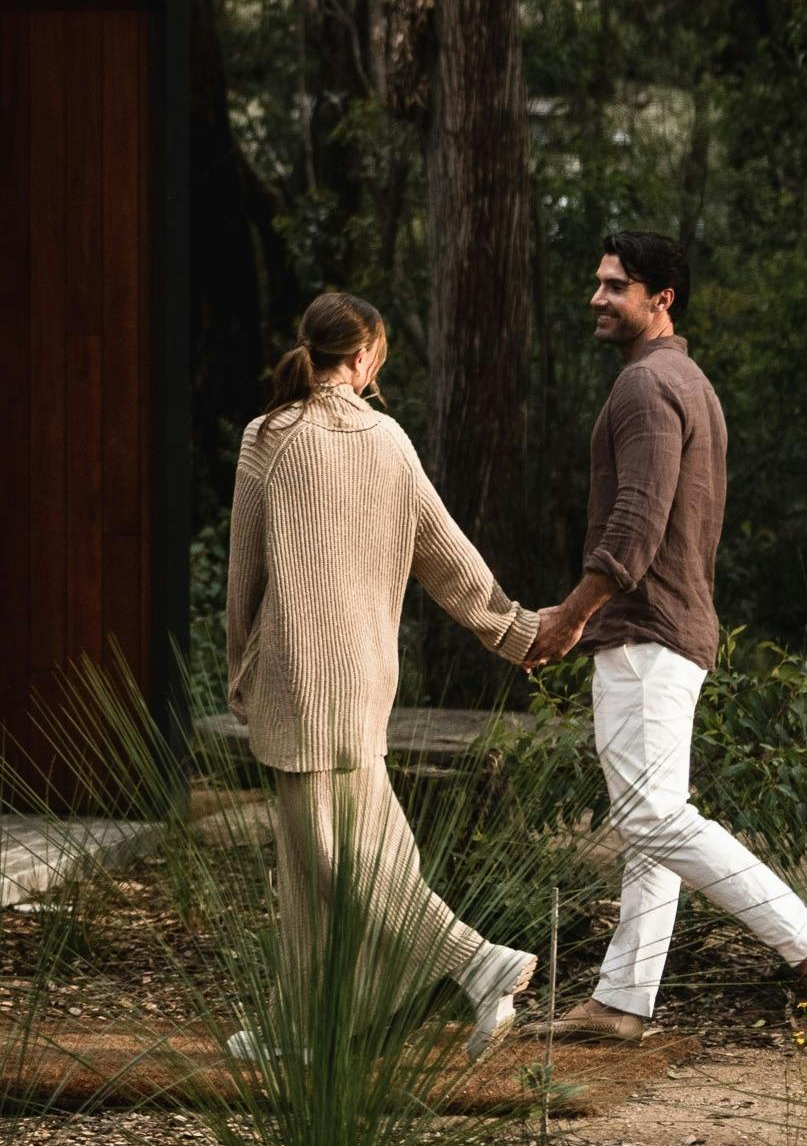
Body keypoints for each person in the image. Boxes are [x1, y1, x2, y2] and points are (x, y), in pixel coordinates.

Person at [529, 231, 807, 1045]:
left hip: (648, 630)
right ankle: (622, 1000)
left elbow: (635, 527)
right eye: (598, 282)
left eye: (616, 286)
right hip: (674, 628)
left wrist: (571, 613)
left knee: (649, 817)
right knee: (656, 816)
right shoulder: (688, 382)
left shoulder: (646, 388)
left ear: (661, 298)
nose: (597, 298)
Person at [225, 290, 564, 1062]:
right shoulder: (392, 442)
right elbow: (452, 562)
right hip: (365, 683)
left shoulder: (268, 436)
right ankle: (305, 1026)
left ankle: (478, 962)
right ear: (367, 355)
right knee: (327, 865)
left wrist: (239, 672)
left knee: (339, 858)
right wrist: (519, 634)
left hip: (295, 682)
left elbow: (242, 575)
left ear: (312, 349)